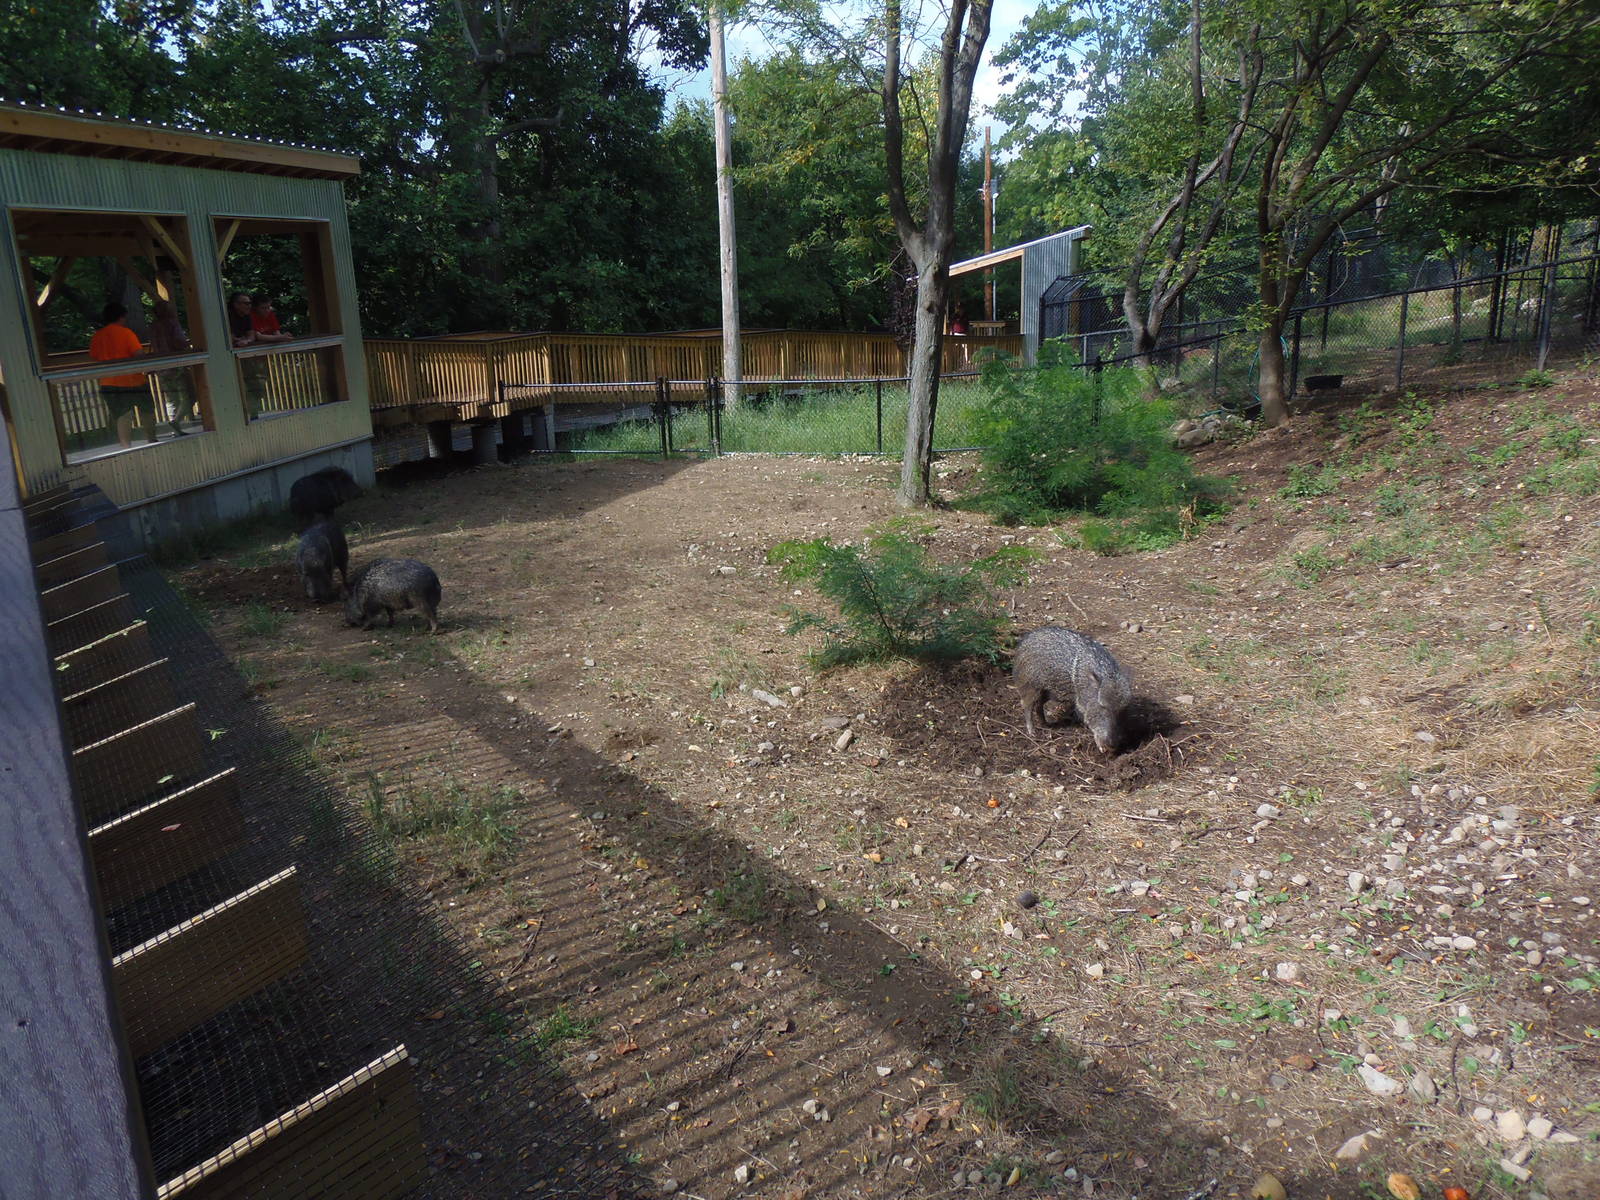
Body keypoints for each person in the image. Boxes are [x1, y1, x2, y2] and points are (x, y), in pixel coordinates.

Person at [89, 301, 149, 449]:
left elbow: (94, 357)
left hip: (108, 382)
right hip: (133, 380)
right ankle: (152, 440)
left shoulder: (97, 336)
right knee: (147, 410)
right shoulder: (126, 333)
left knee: (122, 415)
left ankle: (126, 446)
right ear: (122, 317)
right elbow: (138, 354)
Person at [149, 299, 195, 435]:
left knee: (171, 398)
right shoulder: (172, 324)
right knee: (190, 396)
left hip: (161, 367)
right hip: (176, 366)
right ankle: (176, 421)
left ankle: (174, 427)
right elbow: (179, 341)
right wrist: (188, 344)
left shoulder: (152, 326)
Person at [229, 290, 268, 418]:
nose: (249, 306)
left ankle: (253, 414)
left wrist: (246, 341)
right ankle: (244, 416)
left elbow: (251, 334)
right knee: (241, 388)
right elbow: (227, 337)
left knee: (255, 385)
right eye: (245, 303)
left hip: (245, 359)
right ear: (236, 304)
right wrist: (237, 340)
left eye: (250, 303)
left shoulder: (247, 317)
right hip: (230, 361)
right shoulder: (227, 317)